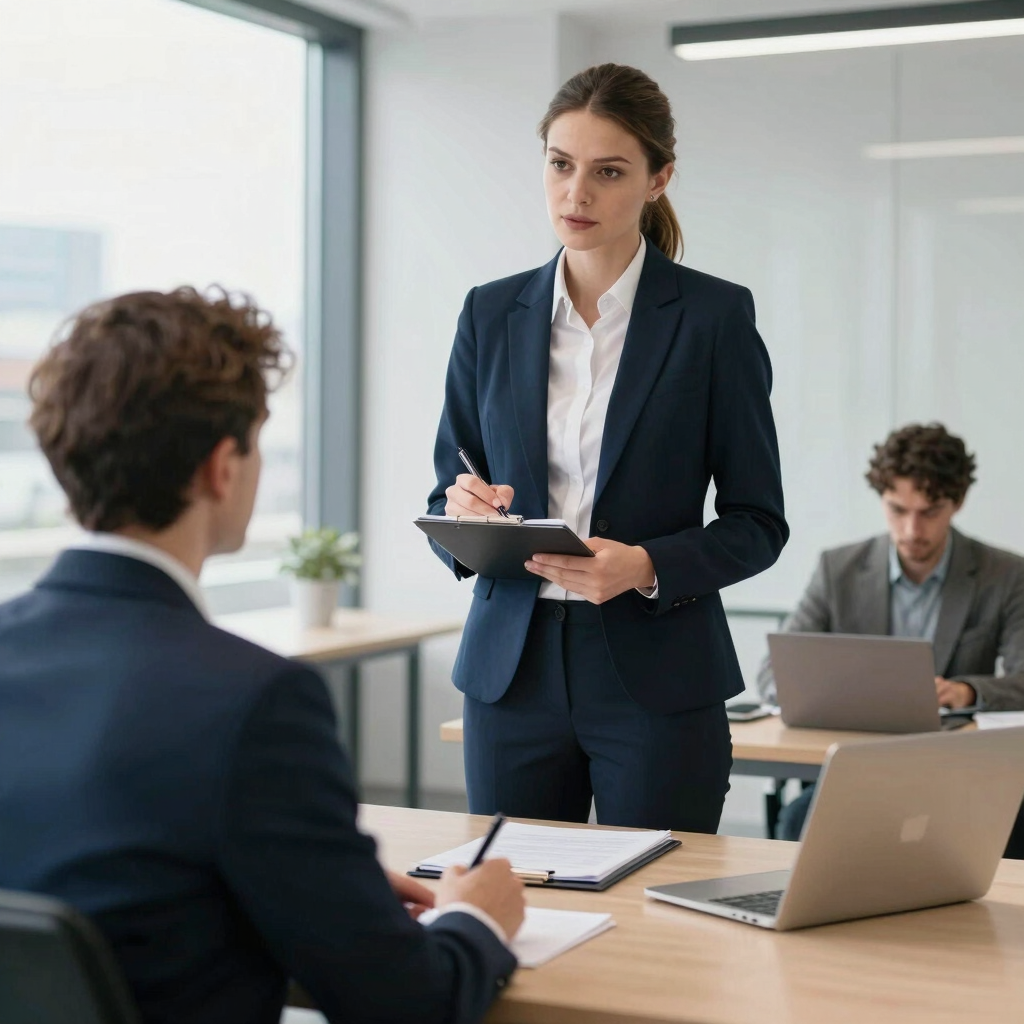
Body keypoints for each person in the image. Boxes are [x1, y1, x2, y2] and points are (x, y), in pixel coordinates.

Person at [0, 288, 524, 1024]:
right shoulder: (253, 700)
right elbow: (410, 1004)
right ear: (223, 467)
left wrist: (320, 881)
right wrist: (477, 917)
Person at [425, 63, 788, 832]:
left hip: (658, 676)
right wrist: (465, 514)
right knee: (513, 897)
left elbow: (758, 523)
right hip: (510, 674)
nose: (576, 194)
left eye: (608, 171)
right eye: (561, 164)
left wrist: (646, 566)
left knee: (657, 900)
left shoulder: (713, 318)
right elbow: (447, 491)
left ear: (659, 179)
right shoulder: (490, 313)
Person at [757, 423, 1024, 847]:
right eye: (898, 510)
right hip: (860, 764)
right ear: (882, 498)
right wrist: (837, 694)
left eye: (929, 512)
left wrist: (966, 692)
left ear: (957, 502)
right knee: (796, 823)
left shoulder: (1004, 574)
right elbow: (774, 673)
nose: (912, 530)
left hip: (962, 769)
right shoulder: (838, 569)